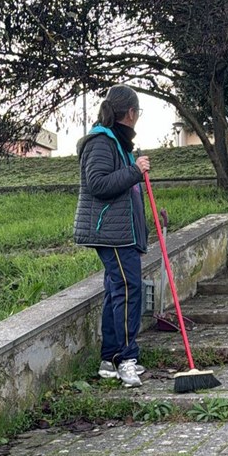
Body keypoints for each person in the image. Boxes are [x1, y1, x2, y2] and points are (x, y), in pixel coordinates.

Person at [73, 85, 151, 388]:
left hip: (120, 231)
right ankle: (126, 359)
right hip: (111, 233)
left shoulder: (117, 142)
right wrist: (134, 171)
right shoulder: (101, 142)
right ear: (131, 113)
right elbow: (98, 184)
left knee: (116, 289)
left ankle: (109, 358)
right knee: (130, 291)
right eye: (138, 112)